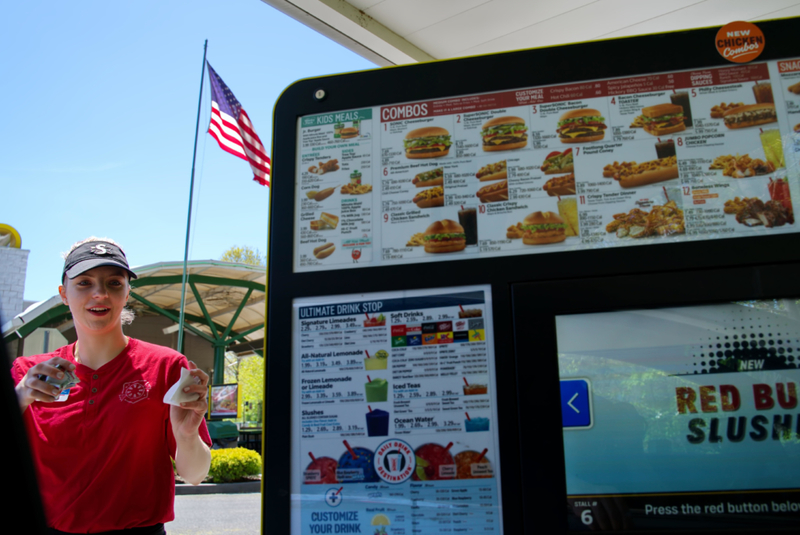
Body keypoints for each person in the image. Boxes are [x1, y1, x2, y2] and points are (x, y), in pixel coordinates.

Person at [12, 238, 212, 534]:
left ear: (128, 292)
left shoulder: (167, 367)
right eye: (84, 283)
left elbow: (195, 475)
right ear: (63, 293)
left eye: (114, 283)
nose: (100, 293)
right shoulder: (28, 374)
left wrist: (186, 434)